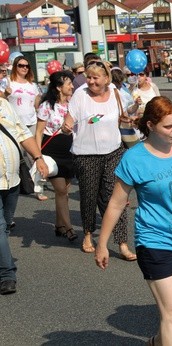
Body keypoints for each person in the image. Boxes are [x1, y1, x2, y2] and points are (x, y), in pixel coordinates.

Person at [95, 96, 172, 345]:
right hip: (155, 241)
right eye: (169, 126)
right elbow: (116, 203)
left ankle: (156, 343)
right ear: (150, 125)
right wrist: (102, 243)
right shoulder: (135, 158)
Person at [61, 61, 136, 260]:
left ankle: (122, 243)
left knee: (116, 198)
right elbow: (69, 120)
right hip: (86, 155)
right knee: (89, 196)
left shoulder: (115, 92)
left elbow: (122, 116)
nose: (91, 81)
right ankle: (87, 234)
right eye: (89, 77)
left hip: (113, 151)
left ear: (106, 79)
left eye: (96, 78)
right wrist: (66, 127)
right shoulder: (81, 95)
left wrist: (132, 117)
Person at [0, 97, 49, 295]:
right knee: (0, 227)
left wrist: (38, 158)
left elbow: (22, 133)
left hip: (11, 179)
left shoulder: (5, 105)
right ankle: (7, 274)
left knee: (5, 225)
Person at [34, 70, 78, 242]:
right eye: (69, 84)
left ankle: (59, 225)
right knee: (60, 191)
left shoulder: (73, 105)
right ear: (59, 87)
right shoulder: (46, 106)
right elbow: (38, 132)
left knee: (65, 190)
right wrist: (38, 157)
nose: (72, 86)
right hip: (51, 153)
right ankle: (69, 228)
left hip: (70, 152)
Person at [8, 56, 45, 200]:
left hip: (31, 122)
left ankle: (38, 188)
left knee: (34, 155)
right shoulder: (8, 82)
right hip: (14, 124)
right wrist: (5, 92)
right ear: (15, 66)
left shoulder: (33, 85)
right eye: (21, 65)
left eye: (26, 66)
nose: (24, 68)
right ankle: (16, 185)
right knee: (16, 156)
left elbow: (37, 105)